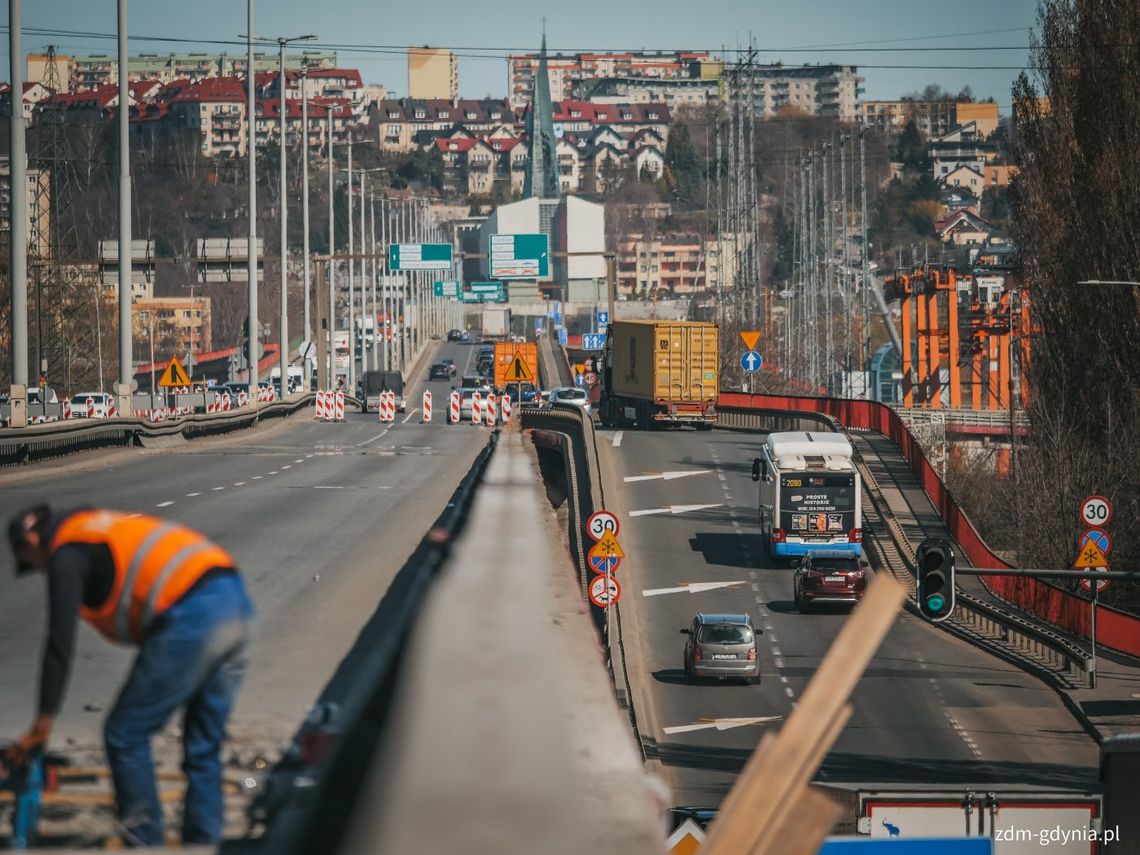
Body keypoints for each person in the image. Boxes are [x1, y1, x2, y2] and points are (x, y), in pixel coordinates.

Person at [6, 505, 254, 847]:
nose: (39, 570)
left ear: (30, 539)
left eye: (30, 561)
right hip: (234, 601)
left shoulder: (66, 552)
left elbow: (59, 642)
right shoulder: (94, 526)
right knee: (203, 746)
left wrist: (43, 722)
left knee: (125, 734)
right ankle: (202, 844)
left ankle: (144, 840)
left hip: (191, 615)